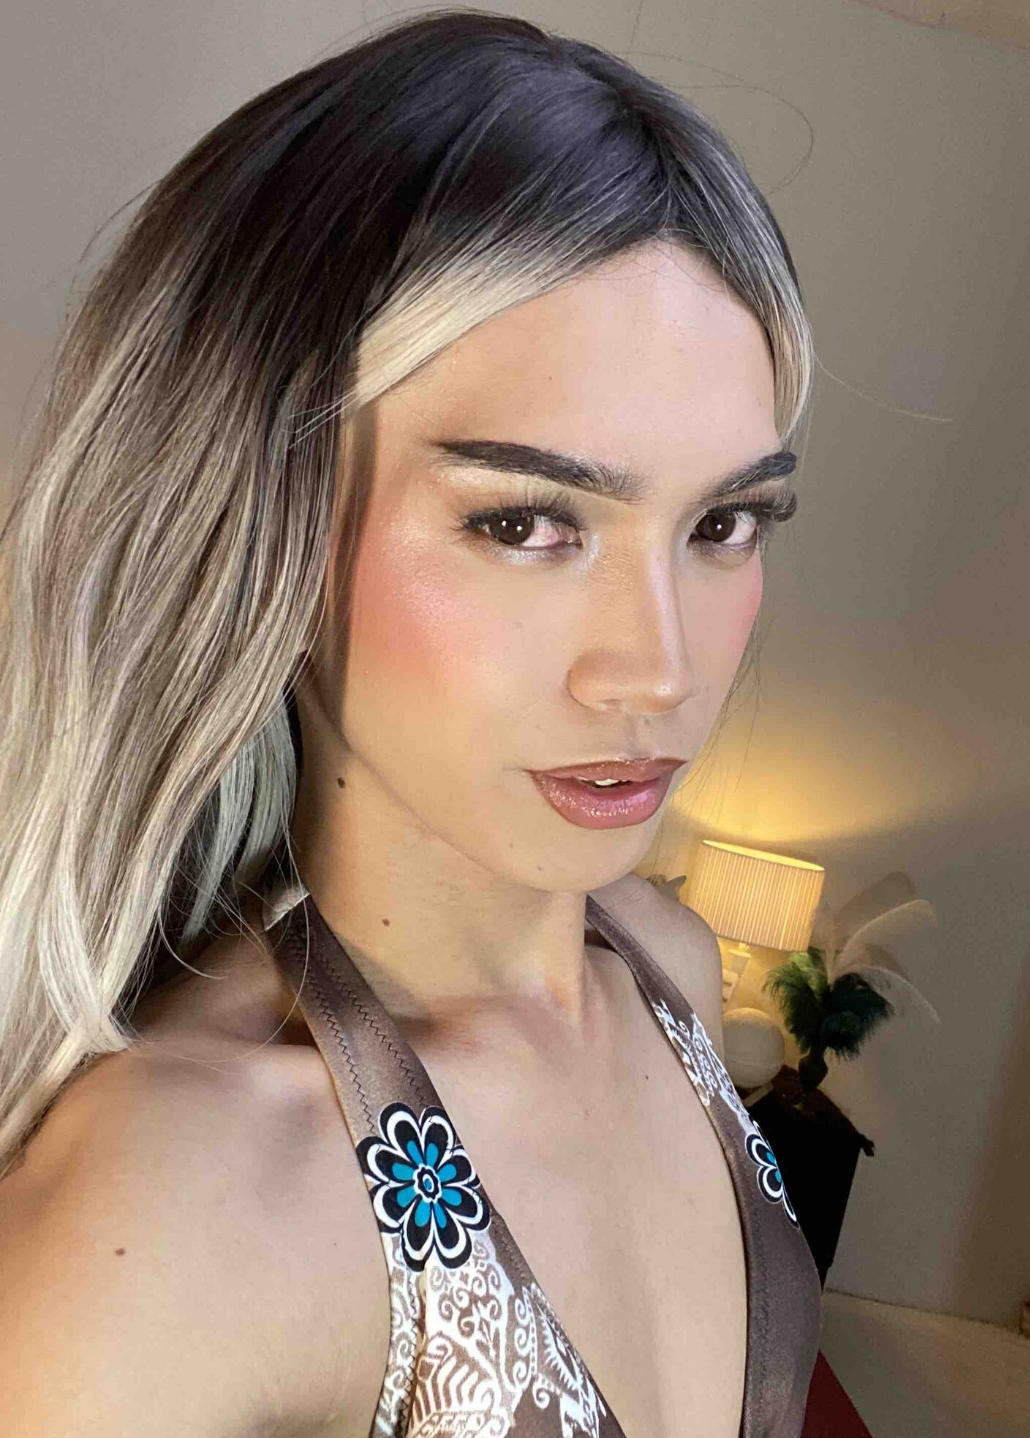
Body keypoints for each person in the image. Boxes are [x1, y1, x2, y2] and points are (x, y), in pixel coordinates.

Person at [0, 10, 822, 1435]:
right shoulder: (177, 1205)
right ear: (263, 529)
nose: (658, 670)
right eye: (525, 522)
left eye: (723, 523)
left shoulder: (670, 970)